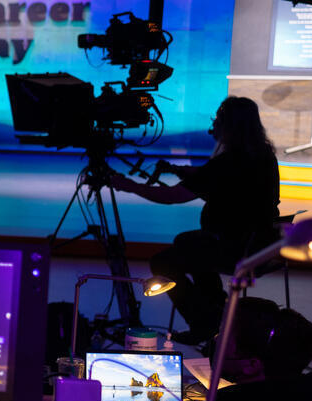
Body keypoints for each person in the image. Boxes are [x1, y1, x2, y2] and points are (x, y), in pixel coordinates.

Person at [110, 96, 280, 345]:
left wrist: (129, 186)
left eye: (219, 120)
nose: (215, 124)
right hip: (261, 243)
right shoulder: (263, 155)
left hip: (235, 247)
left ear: (228, 126)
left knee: (163, 262)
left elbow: (172, 196)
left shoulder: (227, 162)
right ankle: (215, 316)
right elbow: (213, 177)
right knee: (189, 244)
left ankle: (204, 323)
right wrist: (179, 170)